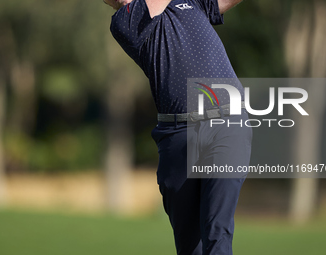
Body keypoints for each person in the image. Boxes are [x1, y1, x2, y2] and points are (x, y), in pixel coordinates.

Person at [104, 0, 252, 254]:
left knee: (217, 231)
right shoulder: (125, 21)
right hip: (176, 137)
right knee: (189, 245)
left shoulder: (191, 2)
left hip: (227, 123)